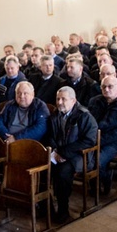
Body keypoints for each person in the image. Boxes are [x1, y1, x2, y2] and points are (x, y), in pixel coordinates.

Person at [47, 87, 99, 223]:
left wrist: (64, 152)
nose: (59, 102)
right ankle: (46, 207)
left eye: (63, 99)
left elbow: (89, 140)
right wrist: (56, 151)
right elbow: (50, 136)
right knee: (42, 169)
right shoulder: (55, 114)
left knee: (62, 172)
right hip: (58, 153)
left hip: (79, 155)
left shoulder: (84, 115)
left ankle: (63, 210)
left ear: (73, 100)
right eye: (58, 99)